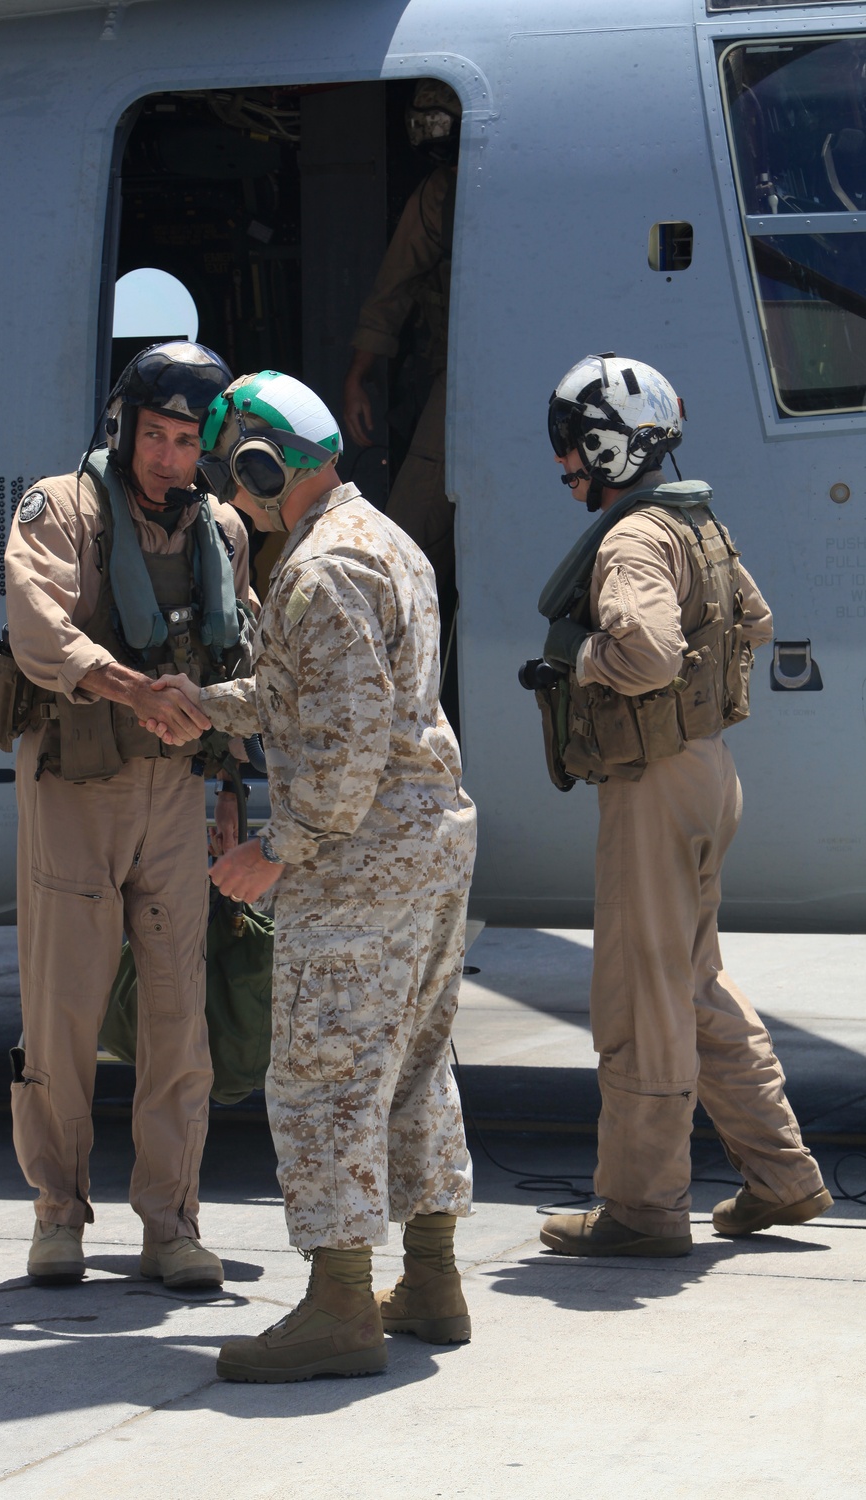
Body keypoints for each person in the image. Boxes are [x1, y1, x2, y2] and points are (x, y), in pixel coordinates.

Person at [148, 369, 477, 1381]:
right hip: (425, 846)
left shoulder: (319, 568)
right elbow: (317, 692)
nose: (229, 489)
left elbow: (340, 741)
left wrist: (272, 849)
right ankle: (429, 1279)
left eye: (233, 465)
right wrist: (210, 702)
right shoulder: (384, 542)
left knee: (325, 1080)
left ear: (263, 458)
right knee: (415, 1066)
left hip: (358, 855)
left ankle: (340, 1306)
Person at [532, 353, 831, 1257]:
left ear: (609, 447)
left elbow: (652, 654)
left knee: (641, 997)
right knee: (695, 982)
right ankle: (781, 1176)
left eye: (572, 451)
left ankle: (641, 1208)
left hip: (655, 786)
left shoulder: (630, 540)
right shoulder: (698, 523)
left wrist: (579, 662)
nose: (565, 470)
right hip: (707, 773)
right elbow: (760, 620)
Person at [2, 341, 251, 1288]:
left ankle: (172, 1223)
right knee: (62, 1009)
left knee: (178, 1017)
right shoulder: (60, 509)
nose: (169, 459)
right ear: (125, 429)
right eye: (155, 436)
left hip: (176, 797)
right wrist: (129, 687)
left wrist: (232, 793)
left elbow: (235, 664)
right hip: (77, 784)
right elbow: (38, 626)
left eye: (188, 442)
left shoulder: (220, 532)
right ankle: (58, 1212)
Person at [343, 79, 460, 634]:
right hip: (460, 379)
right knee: (410, 527)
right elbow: (396, 284)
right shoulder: (441, 194)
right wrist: (359, 374)